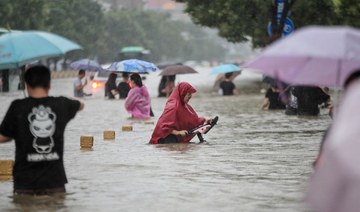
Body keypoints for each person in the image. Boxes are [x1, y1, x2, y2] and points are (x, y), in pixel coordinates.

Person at [0, 65, 84, 195]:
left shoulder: (17, 107)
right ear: (49, 84)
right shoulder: (61, 104)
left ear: (25, 84)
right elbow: (81, 105)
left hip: (24, 184)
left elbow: (3, 137)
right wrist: (68, 100)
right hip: (55, 183)